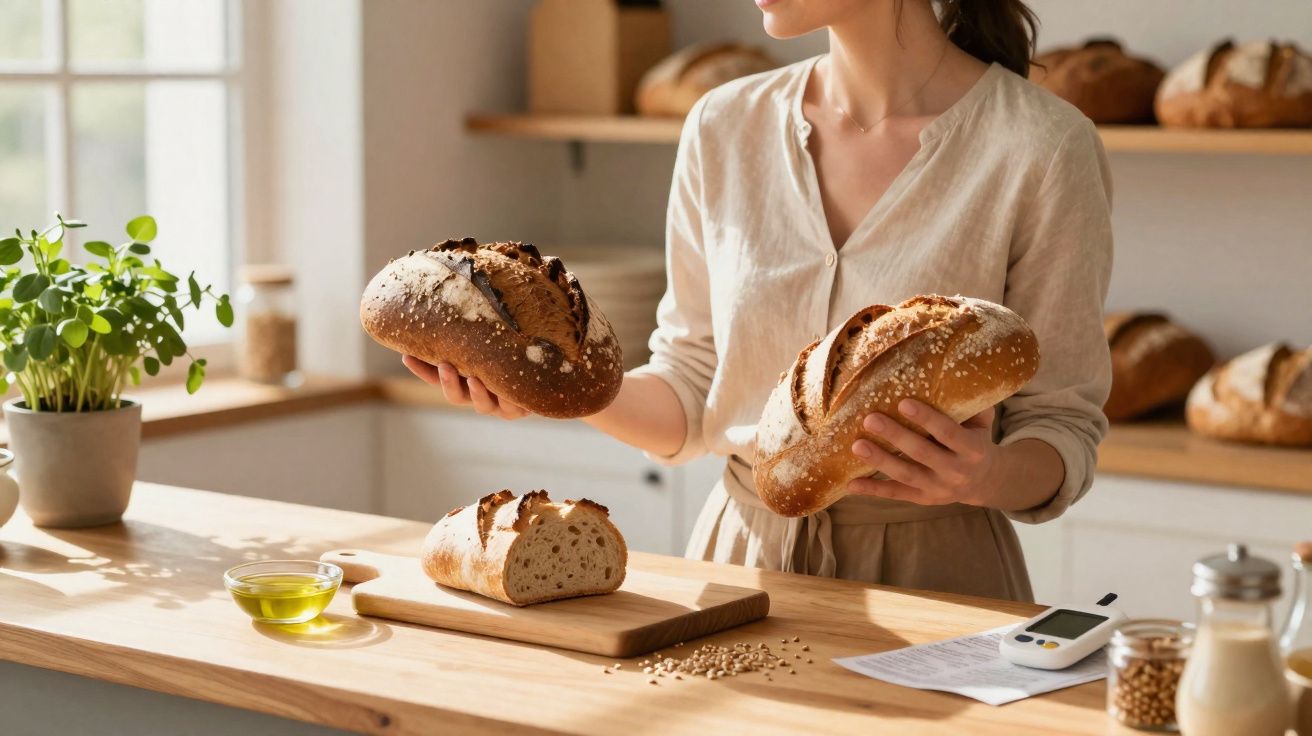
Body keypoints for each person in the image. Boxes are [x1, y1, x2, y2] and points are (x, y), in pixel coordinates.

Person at [404, 0, 1113, 602]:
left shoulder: (1042, 146)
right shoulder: (724, 125)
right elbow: (692, 386)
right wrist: (554, 387)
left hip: (941, 579)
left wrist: (985, 475)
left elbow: (1062, 424)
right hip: (741, 566)